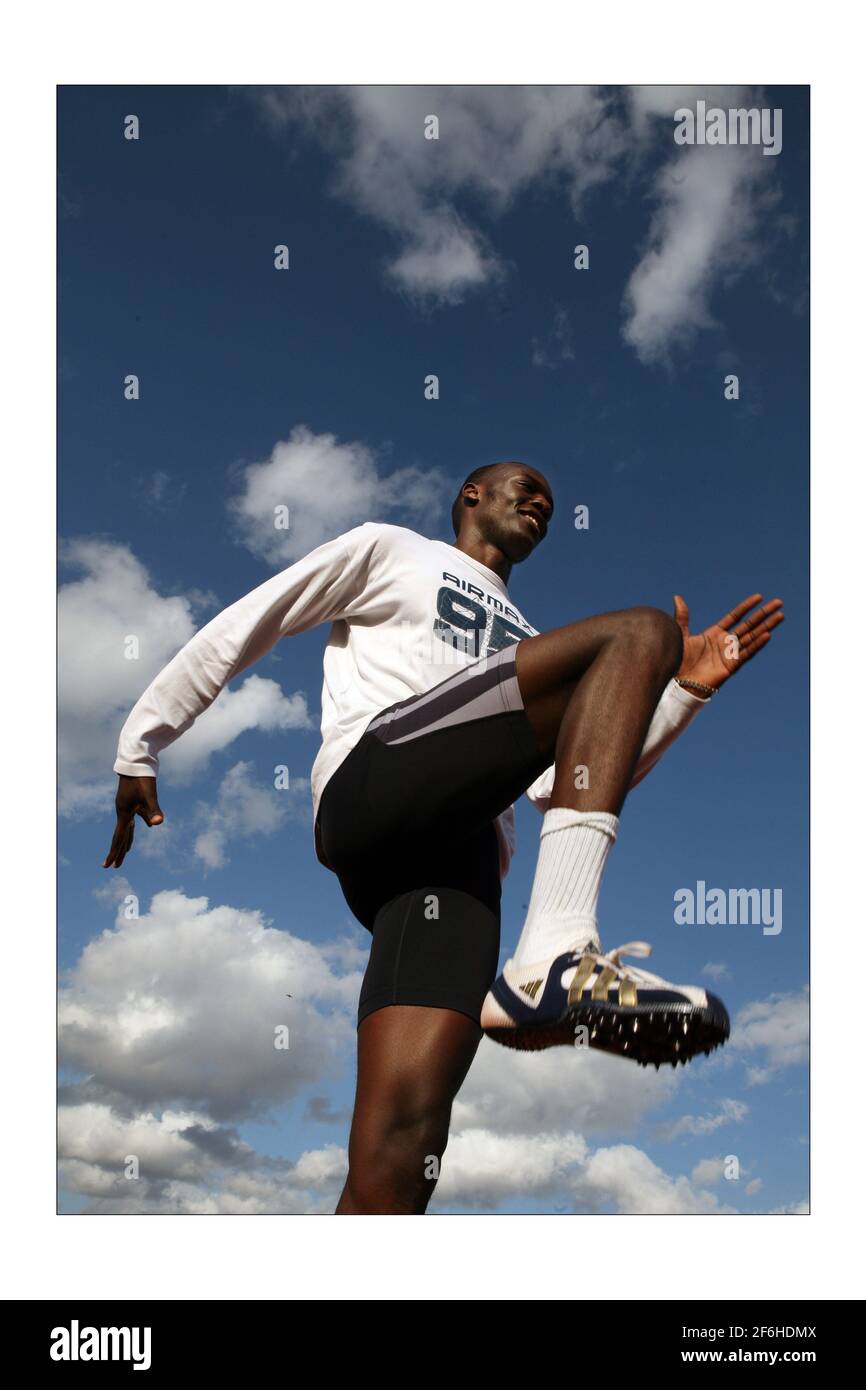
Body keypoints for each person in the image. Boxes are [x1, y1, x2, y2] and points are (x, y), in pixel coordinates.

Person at [104, 461, 783, 1214]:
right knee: (642, 631)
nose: (540, 504)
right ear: (472, 496)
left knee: (403, 1146)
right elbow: (255, 617)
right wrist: (142, 739)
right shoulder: (393, 550)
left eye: (552, 507)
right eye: (526, 488)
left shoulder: (530, 639)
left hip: (457, 866)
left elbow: (561, 790)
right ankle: (556, 954)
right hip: (378, 781)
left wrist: (684, 692)